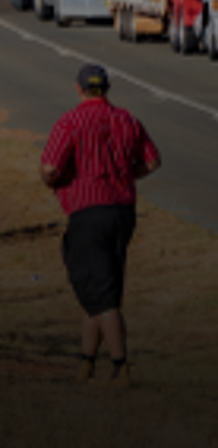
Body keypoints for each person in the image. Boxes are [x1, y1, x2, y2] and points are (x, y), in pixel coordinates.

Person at [40, 64, 161, 386]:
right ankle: (86, 363)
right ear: (107, 89)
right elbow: (152, 161)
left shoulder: (70, 121)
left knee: (100, 292)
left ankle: (120, 366)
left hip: (88, 211)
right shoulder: (127, 119)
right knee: (104, 287)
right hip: (123, 210)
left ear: (79, 88)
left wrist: (51, 180)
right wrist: (125, 177)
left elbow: (50, 167)